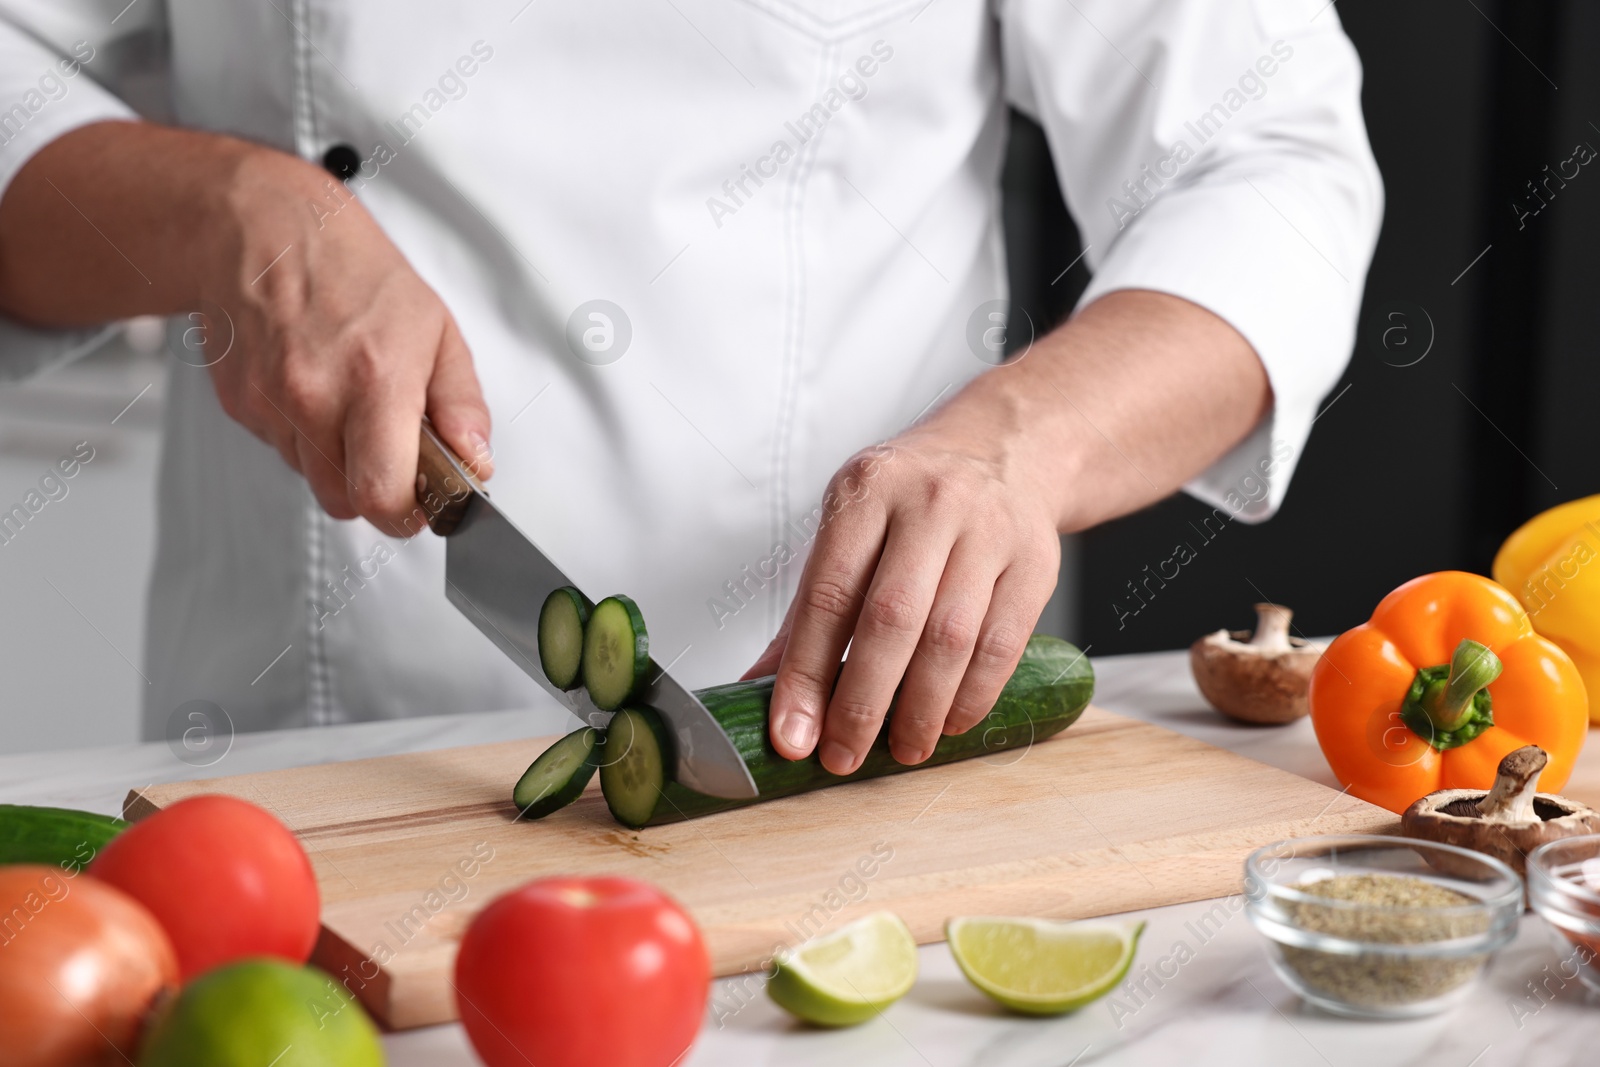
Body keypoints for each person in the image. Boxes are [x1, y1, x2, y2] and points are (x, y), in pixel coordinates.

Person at [0, 1, 1379, 776]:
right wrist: (230, 209)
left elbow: (1265, 153)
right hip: (300, 761)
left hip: (820, 747)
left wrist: (1022, 445)